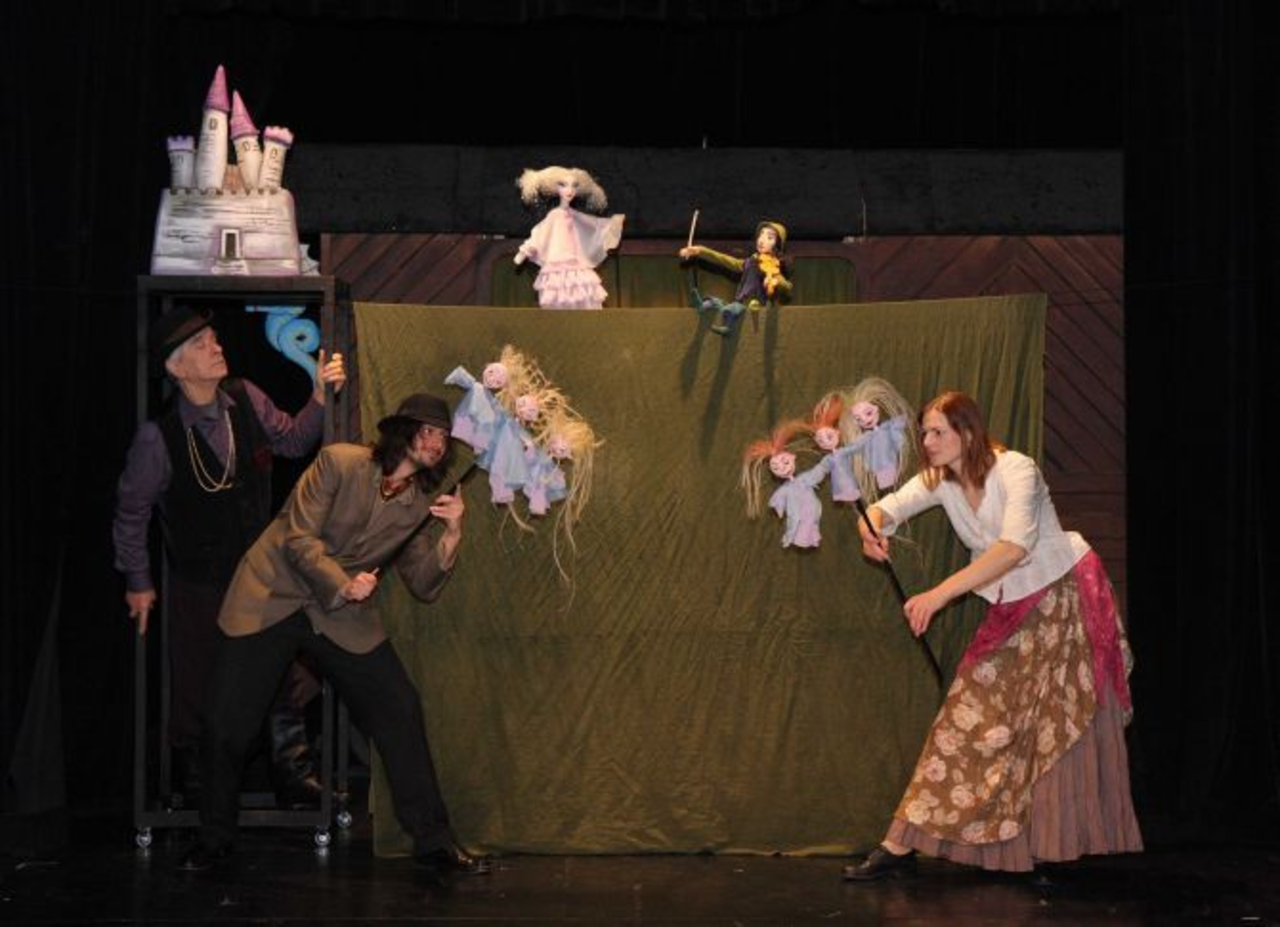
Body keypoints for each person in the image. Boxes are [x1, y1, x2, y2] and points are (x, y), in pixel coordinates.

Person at [179, 393, 490, 876]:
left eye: (443, 437)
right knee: (227, 722)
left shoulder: (417, 504)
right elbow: (298, 538)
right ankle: (213, 839)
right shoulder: (339, 463)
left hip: (340, 615)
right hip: (273, 593)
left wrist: (451, 536)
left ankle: (433, 842)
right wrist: (344, 584)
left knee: (399, 706)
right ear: (401, 432)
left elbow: (423, 584)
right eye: (427, 431)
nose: (435, 443)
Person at [843, 391, 1141, 880]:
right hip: (1012, 606)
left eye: (938, 431)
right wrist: (870, 531)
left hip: (1063, 595)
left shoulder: (1016, 469)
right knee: (967, 715)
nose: (927, 441)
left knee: (1053, 722)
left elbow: (1013, 549)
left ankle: (1049, 845)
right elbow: (882, 510)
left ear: (967, 433)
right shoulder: (940, 480)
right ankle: (900, 844)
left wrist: (938, 595)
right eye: (924, 432)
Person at [114, 305, 345, 806]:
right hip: (201, 580)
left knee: (278, 668)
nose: (216, 348)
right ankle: (201, 784)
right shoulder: (159, 438)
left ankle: (291, 769)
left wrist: (318, 398)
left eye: (215, 339)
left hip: (262, 573)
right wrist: (138, 581)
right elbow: (131, 513)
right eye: (200, 345)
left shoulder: (246, 397)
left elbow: (293, 441)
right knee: (202, 678)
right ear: (176, 367)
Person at [514, 165, 625, 309]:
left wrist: (612, 224)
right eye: (563, 185)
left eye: (574, 186)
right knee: (559, 298)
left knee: (583, 296)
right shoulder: (554, 215)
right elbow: (540, 233)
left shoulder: (575, 215)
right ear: (556, 188)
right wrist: (524, 252)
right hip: (557, 264)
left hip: (577, 263)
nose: (570, 190)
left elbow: (594, 224)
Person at [679, 220, 792, 334]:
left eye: (769, 238)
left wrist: (775, 281)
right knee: (717, 303)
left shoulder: (771, 267)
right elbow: (723, 259)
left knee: (733, 309)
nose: (762, 240)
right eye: (761, 235)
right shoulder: (750, 261)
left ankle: (726, 326)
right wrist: (700, 250)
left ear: (776, 245)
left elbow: (787, 286)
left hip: (754, 305)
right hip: (741, 301)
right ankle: (705, 306)